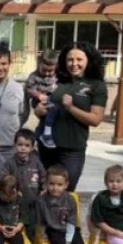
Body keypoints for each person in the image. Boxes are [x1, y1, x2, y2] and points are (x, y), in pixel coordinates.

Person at [34, 42, 108, 191]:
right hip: (46, 147)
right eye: (70, 60)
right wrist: (38, 110)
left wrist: (71, 108)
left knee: (65, 192)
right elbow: (43, 105)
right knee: (42, 191)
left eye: (79, 59)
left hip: (72, 150)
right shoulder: (58, 80)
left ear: (89, 60)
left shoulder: (97, 85)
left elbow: (95, 119)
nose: (74, 64)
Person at [37, 165, 87, 244]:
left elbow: (72, 221)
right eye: (51, 184)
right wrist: (43, 235)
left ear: (66, 185)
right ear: (46, 183)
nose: (55, 188)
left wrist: (69, 240)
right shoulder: (42, 200)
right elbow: (40, 221)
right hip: (53, 230)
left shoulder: (70, 199)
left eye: (59, 184)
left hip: (70, 228)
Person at [5, 128, 45, 241]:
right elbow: (5, 181)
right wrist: (13, 191)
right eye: (20, 144)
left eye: (27, 145)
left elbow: (44, 177)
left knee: (31, 229)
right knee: (16, 231)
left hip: (33, 204)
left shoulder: (36, 162)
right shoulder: (9, 163)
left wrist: (44, 189)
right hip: (15, 205)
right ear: (15, 145)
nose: (23, 148)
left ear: (32, 147)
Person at [25, 50, 60, 148]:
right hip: (38, 100)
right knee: (52, 110)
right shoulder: (34, 76)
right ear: (39, 64)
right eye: (44, 70)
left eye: (50, 71)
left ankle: (38, 135)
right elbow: (28, 88)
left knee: (46, 119)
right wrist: (38, 95)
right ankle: (47, 133)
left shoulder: (57, 76)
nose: (47, 73)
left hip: (51, 99)